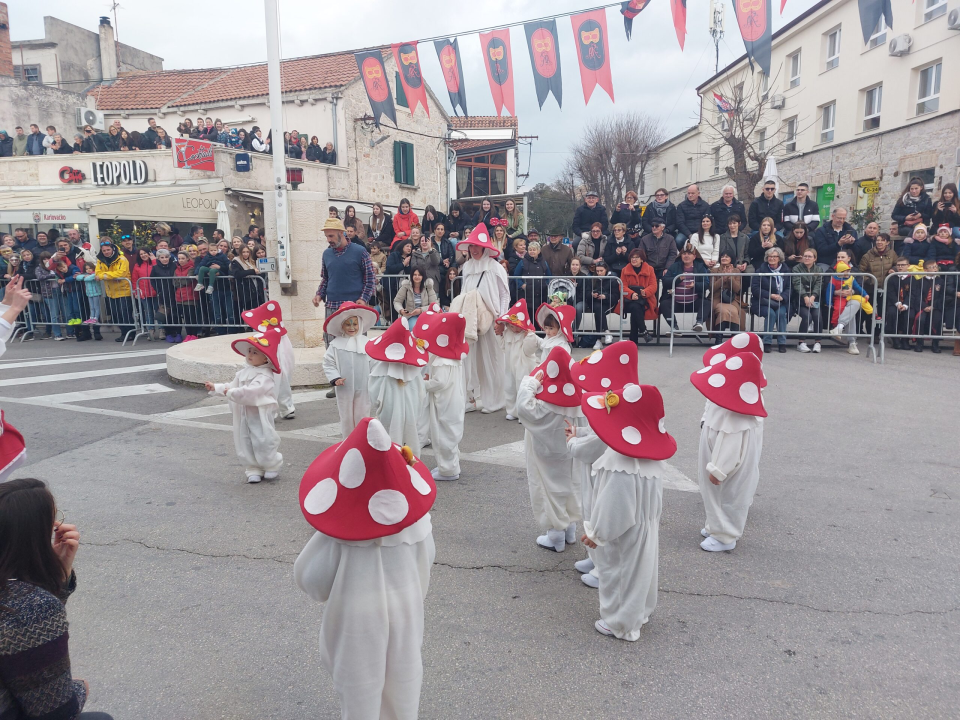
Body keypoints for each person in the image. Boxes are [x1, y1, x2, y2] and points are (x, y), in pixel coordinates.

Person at [294, 418, 436, 720]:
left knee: (360, 689)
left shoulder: (338, 535)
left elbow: (311, 580)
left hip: (357, 620)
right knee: (404, 679)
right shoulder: (419, 525)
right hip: (407, 610)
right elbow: (426, 567)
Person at [0, 477, 115, 718]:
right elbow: (56, 712)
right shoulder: (31, 609)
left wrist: (58, 578)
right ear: (33, 538)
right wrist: (80, 687)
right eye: (52, 523)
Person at [575, 380, 675, 637]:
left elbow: (615, 506)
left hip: (624, 533)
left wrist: (597, 533)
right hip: (645, 528)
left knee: (620, 574)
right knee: (642, 573)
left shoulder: (619, 462)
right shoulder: (650, 460)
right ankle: (639, 612)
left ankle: (620, 622)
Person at [692, 338, 766, 552]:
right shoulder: (726, 391)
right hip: (714, 444)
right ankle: (715, 525)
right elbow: (710, 403)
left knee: (729, 493)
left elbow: (732, 441)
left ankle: (726, 535)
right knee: (715, 494)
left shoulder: (739, 406)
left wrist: (719, 468)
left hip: (725, 459)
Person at [516, 346, 585, 553]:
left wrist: (531, 384)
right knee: (571, 484)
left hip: (544, 452)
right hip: (569, 451)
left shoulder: (544, 404)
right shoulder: (578, 400)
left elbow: (523, 407)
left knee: (548, 487)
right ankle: (570, 527)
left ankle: (556, 534)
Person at [205, 333, 283, 483]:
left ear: (266, 358)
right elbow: (232, 386)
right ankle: (252, 467)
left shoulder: (265, 375)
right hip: (243, 414)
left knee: (263, 439)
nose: (250, 355)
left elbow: (254, 392)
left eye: (255, 352)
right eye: (249, 351)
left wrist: (232, 393)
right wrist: (218, 387)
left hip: (259, 414)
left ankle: (271, 464)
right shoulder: (242, 373)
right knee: (244, 440)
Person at [457, 224, 511, 414]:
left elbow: (505, 295)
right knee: (469, 360)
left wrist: (502, 319)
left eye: (477, 246)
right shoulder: (467, 267)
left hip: (491, 318)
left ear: (485, 247)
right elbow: (464, 291)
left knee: (492, 360)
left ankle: (494, 400)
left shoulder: (496, 268)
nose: (473, 250)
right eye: (471, 246)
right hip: (471, 319)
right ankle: (470, 399)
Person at [415, 311, 469, 481]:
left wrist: (421, 384)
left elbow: (439, 383)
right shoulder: (454, 359)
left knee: (442, 434)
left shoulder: (441, 361)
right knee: (451, 432)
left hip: (443, 402)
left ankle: (448, 470)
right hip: (454, 400)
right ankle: (451, 464)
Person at [366, 319, 429, 454]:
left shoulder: (379, 372)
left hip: (388, 418)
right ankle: (410, 468)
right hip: (411, 417)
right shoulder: (414, 372)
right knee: (410, 440)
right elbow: (421, 395)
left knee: (389, 441)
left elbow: (374, 395)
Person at [320, 302, 377, 438]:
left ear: (360, 324)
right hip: (344, 388)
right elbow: (328, 363)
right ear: (342, 326)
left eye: (355, 324)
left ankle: (362, 440)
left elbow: (375, 363)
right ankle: (348, 441)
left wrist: (374, 378)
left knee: (362, 413)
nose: (352, 327)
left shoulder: (367, 343)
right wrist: (335, 378)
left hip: (364, 386)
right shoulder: (335, 345)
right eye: (348, 324)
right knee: (346, 415)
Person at [313, 218, 376, 318]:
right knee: (331, 334)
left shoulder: (360, 251)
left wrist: (363, 299)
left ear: (341, 233)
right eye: (326, 236)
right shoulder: (326, 254)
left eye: (331, 236)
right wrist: (319, 294)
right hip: (331, 307)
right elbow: (326, 278)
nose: (328, 240)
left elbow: (370, 279)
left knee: (356, 334)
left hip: (354, 306)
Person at [496, 299, 538, 422]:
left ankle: (524, 412)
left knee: (523, 387)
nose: (514, 329)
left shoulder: (526, 334)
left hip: (524, 364)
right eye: (511, 326)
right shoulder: (508, 333)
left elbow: (530, 350)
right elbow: (503, 346)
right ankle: (512, 410)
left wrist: (529, 337)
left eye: (516, 327)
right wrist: (499, 335)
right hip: (510, 364)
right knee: (510, 386)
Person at [826, 260, 872, 356]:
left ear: (849, 258)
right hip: (839, 299)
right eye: (838, 257)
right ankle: (852, 342)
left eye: (843, 257)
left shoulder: (854, 274)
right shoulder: (832, 275)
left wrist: (861, 293)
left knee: (856, 304)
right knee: (849, 312)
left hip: (852, 297)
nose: (848, 273)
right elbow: (828, 289)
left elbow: (858, 287)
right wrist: (831, 298)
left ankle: (839, 327)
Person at [751, 247, 792, 353]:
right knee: (771, 314)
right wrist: (770, 295)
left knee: (781, 314)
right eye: (770, 256)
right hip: (763, 302)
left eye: (774, 256)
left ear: (780, 258)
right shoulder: (760, 271)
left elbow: (789, 287)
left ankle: (782, 343)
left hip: (781, 301)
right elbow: (755, 288)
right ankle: (767, 342)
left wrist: (783, 296)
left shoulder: (786, 271)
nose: (772, 258)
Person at [661, 244, 710, 333]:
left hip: (694, 301)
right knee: (664, 304)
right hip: (676, 302)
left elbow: (706, 284)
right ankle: (674, 327)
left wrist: (695, 285)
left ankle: (699, 323)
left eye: (689, 254)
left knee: (706, 303)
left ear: (694, 256)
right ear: (681, 256)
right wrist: (678, 279)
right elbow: (665, 281)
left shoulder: (700, 267)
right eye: (684, 254)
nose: (686, 256)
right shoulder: (674, 266)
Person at [94, 240, 135, 342]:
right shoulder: (100, 260)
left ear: (112, 249)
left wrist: (105, 276)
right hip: (110, 292)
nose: (106, 252)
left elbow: (121, 274)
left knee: (125, 314)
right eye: (104, 250)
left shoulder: (122, 259)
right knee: (116, 315)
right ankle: (124, 333)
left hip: (123, 291)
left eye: (108, 250)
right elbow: (97, 273)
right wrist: (109, 275)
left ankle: (130, 333)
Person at [619, 248, 656, 345]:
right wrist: (631, 294)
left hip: (645, 299)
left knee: (636, 307)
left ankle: (634, 339)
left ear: (642, 259)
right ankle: (643, 331)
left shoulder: (650, 269)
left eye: (636, 257)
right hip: (629, 300)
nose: (634, 259)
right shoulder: (624, 270)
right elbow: (622, 286)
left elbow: (653, 285)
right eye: (632, 257)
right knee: (635, 307)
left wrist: (645, 292)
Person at [908, 258, 946, 353]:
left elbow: (942, 296)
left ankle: (935, 344)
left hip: (935, 307)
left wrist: (933, 306)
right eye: (932, 267)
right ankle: (919, 343)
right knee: (920, 320)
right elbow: (917, 296)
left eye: (935, 266)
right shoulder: (920, 281)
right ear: (925, 270)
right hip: (923, 306)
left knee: (937, 319)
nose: (935, 268)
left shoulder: (940, 282)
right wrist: (924, 306)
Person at [792, 248, 823, 353]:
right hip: (800, 300)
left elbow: (819, 284)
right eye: (805, 256)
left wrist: (813, 296)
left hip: (814, 299)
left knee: (817, 316)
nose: (806, 258)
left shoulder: (819, 269)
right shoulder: (796, 268)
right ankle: (801, 342)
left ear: (815, 258)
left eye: (809, 256)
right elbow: (797, 283)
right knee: (807, 317)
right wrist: (805, 296)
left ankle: (818, 342)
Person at [710, 251, 745, 344]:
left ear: (731, 259)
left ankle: (735, 341)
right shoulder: (714, 271)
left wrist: (730, 277)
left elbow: (737, 289)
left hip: (732, 299)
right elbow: (711, 288)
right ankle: (718, 340)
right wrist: (723, 278)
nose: (724, 258)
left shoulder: (736, 271)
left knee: (734, 311)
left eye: (727, 256)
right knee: (723, 311)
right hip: (717, 298)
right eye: (722, 256)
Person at [149, 249, 178, 342]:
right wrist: (158, 290)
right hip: (163, 294)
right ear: (158, 258)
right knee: (166, 314)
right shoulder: (155, 268)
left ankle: (177, 333)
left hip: (174, 292)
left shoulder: (174, 266)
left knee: (176, 313)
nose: (165, 259)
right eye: (162, 257)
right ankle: (168, 333)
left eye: (166, 257)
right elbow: (152, 280)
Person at [514, 240, 551, 311]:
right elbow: (516, 275)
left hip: (541, 294)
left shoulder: (544, 262)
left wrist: (546, 284)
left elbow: (549, 275)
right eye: (530, 250)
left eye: (534, 250)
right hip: (527, 294)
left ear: (539, 251)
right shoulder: (522, 262)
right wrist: (521, 285)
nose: (532, 251)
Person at [174, 251, 201, 342]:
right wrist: (181, 282)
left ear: (187, 259)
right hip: (180, 296)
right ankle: (189, 334)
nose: (181, 260)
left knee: (191, 316)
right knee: (185, 317)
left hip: (190, 296)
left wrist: (180, 281)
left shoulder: (191, 268)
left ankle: (194, 334)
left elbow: (187, 281)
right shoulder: (176, 270)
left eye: (183, 258)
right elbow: (174, 283)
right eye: (179, 259)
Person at [131, 248, 158, 336]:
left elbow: (158, 271)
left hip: (156, 292)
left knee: (159, 311)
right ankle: (151, 331)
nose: (143, 255)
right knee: (148, 312)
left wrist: (154, 260)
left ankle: (162, 330)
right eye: (141, 254)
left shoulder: (155, 262)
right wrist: (136, 291)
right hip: (144, 293)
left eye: (145, 253)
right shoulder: (137, 265)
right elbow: (135, 280)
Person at [675, 184, 710, 249]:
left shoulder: (705, 205)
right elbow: (680, 223)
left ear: (698, 193)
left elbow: (707, 221)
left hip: (701, 231)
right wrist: (689, 234)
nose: (690, 195)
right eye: (689, 193)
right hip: (685, 232)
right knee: (678, 240)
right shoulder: (681, 206)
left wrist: (699, 233)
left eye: (692, 193)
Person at [231, 246, 265, 311]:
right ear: (240, 253)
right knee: (249, 312)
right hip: (245, 290)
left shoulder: (251, 261)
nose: (245, 254)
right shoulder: (236, 261)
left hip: (256, 289)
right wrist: (253, 271)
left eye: (247, 252)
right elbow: (237, 274)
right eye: (243, 252)